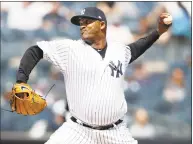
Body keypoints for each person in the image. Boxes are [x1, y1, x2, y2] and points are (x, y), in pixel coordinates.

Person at [13, 7, 171, 144]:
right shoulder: (70, 49)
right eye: (81, 23)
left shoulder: (119, 50)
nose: (82, 26)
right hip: (77, 131)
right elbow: (35, 51)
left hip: (116, 133)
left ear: (102, 24)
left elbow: (138, 46)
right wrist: (21, 80)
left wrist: (158, 32)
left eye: (87, 22)